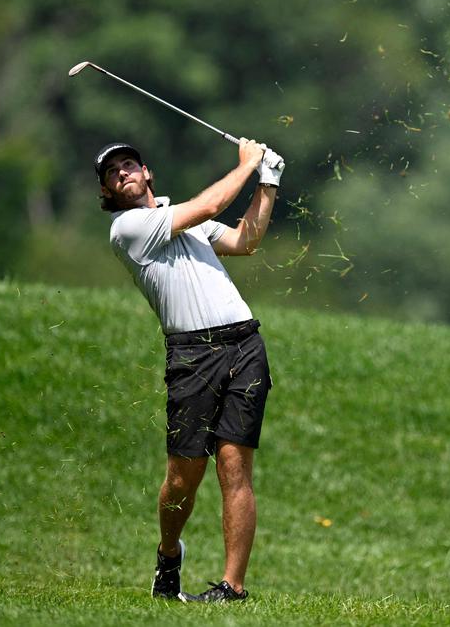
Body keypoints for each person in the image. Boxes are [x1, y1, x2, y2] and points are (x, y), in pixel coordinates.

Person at [95, 138, 283, 603]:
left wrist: (268, 182)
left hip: (244, 344)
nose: (123, 173)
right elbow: (213, 202)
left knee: (235, 466)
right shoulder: (130, 228)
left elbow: (247, 240)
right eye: (113, 173)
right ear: (108, 192)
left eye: (129, 164)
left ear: (147, 172)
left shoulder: (186, 220)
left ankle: (232, 588)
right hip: (191, 356)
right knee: (184, 476)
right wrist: (248, 163)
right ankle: (168, 555)